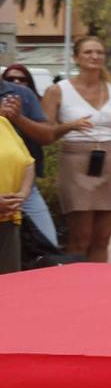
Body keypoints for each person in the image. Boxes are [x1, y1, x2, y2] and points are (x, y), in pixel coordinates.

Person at [48, 37, 111, 262]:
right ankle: (73, 288)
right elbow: (46, 132)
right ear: (76, 57)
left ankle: (96, 289)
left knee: (102, 238)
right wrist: (69, 125)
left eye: (99, 52)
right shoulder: (58, 90)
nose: (94, 56)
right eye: (88, 52)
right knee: (80, 237)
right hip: (76, 161)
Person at [1, 64, 59, 251]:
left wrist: (18, 118)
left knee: (49, 247)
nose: (16, 82)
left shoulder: (22, 95)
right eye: (11, 78)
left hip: (22, 191)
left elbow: (43, 142)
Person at [0, 111, 32, 273]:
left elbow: (28, 162)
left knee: (9, 287)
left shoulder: (3, 123)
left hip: (9, 218)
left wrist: (22, 195)